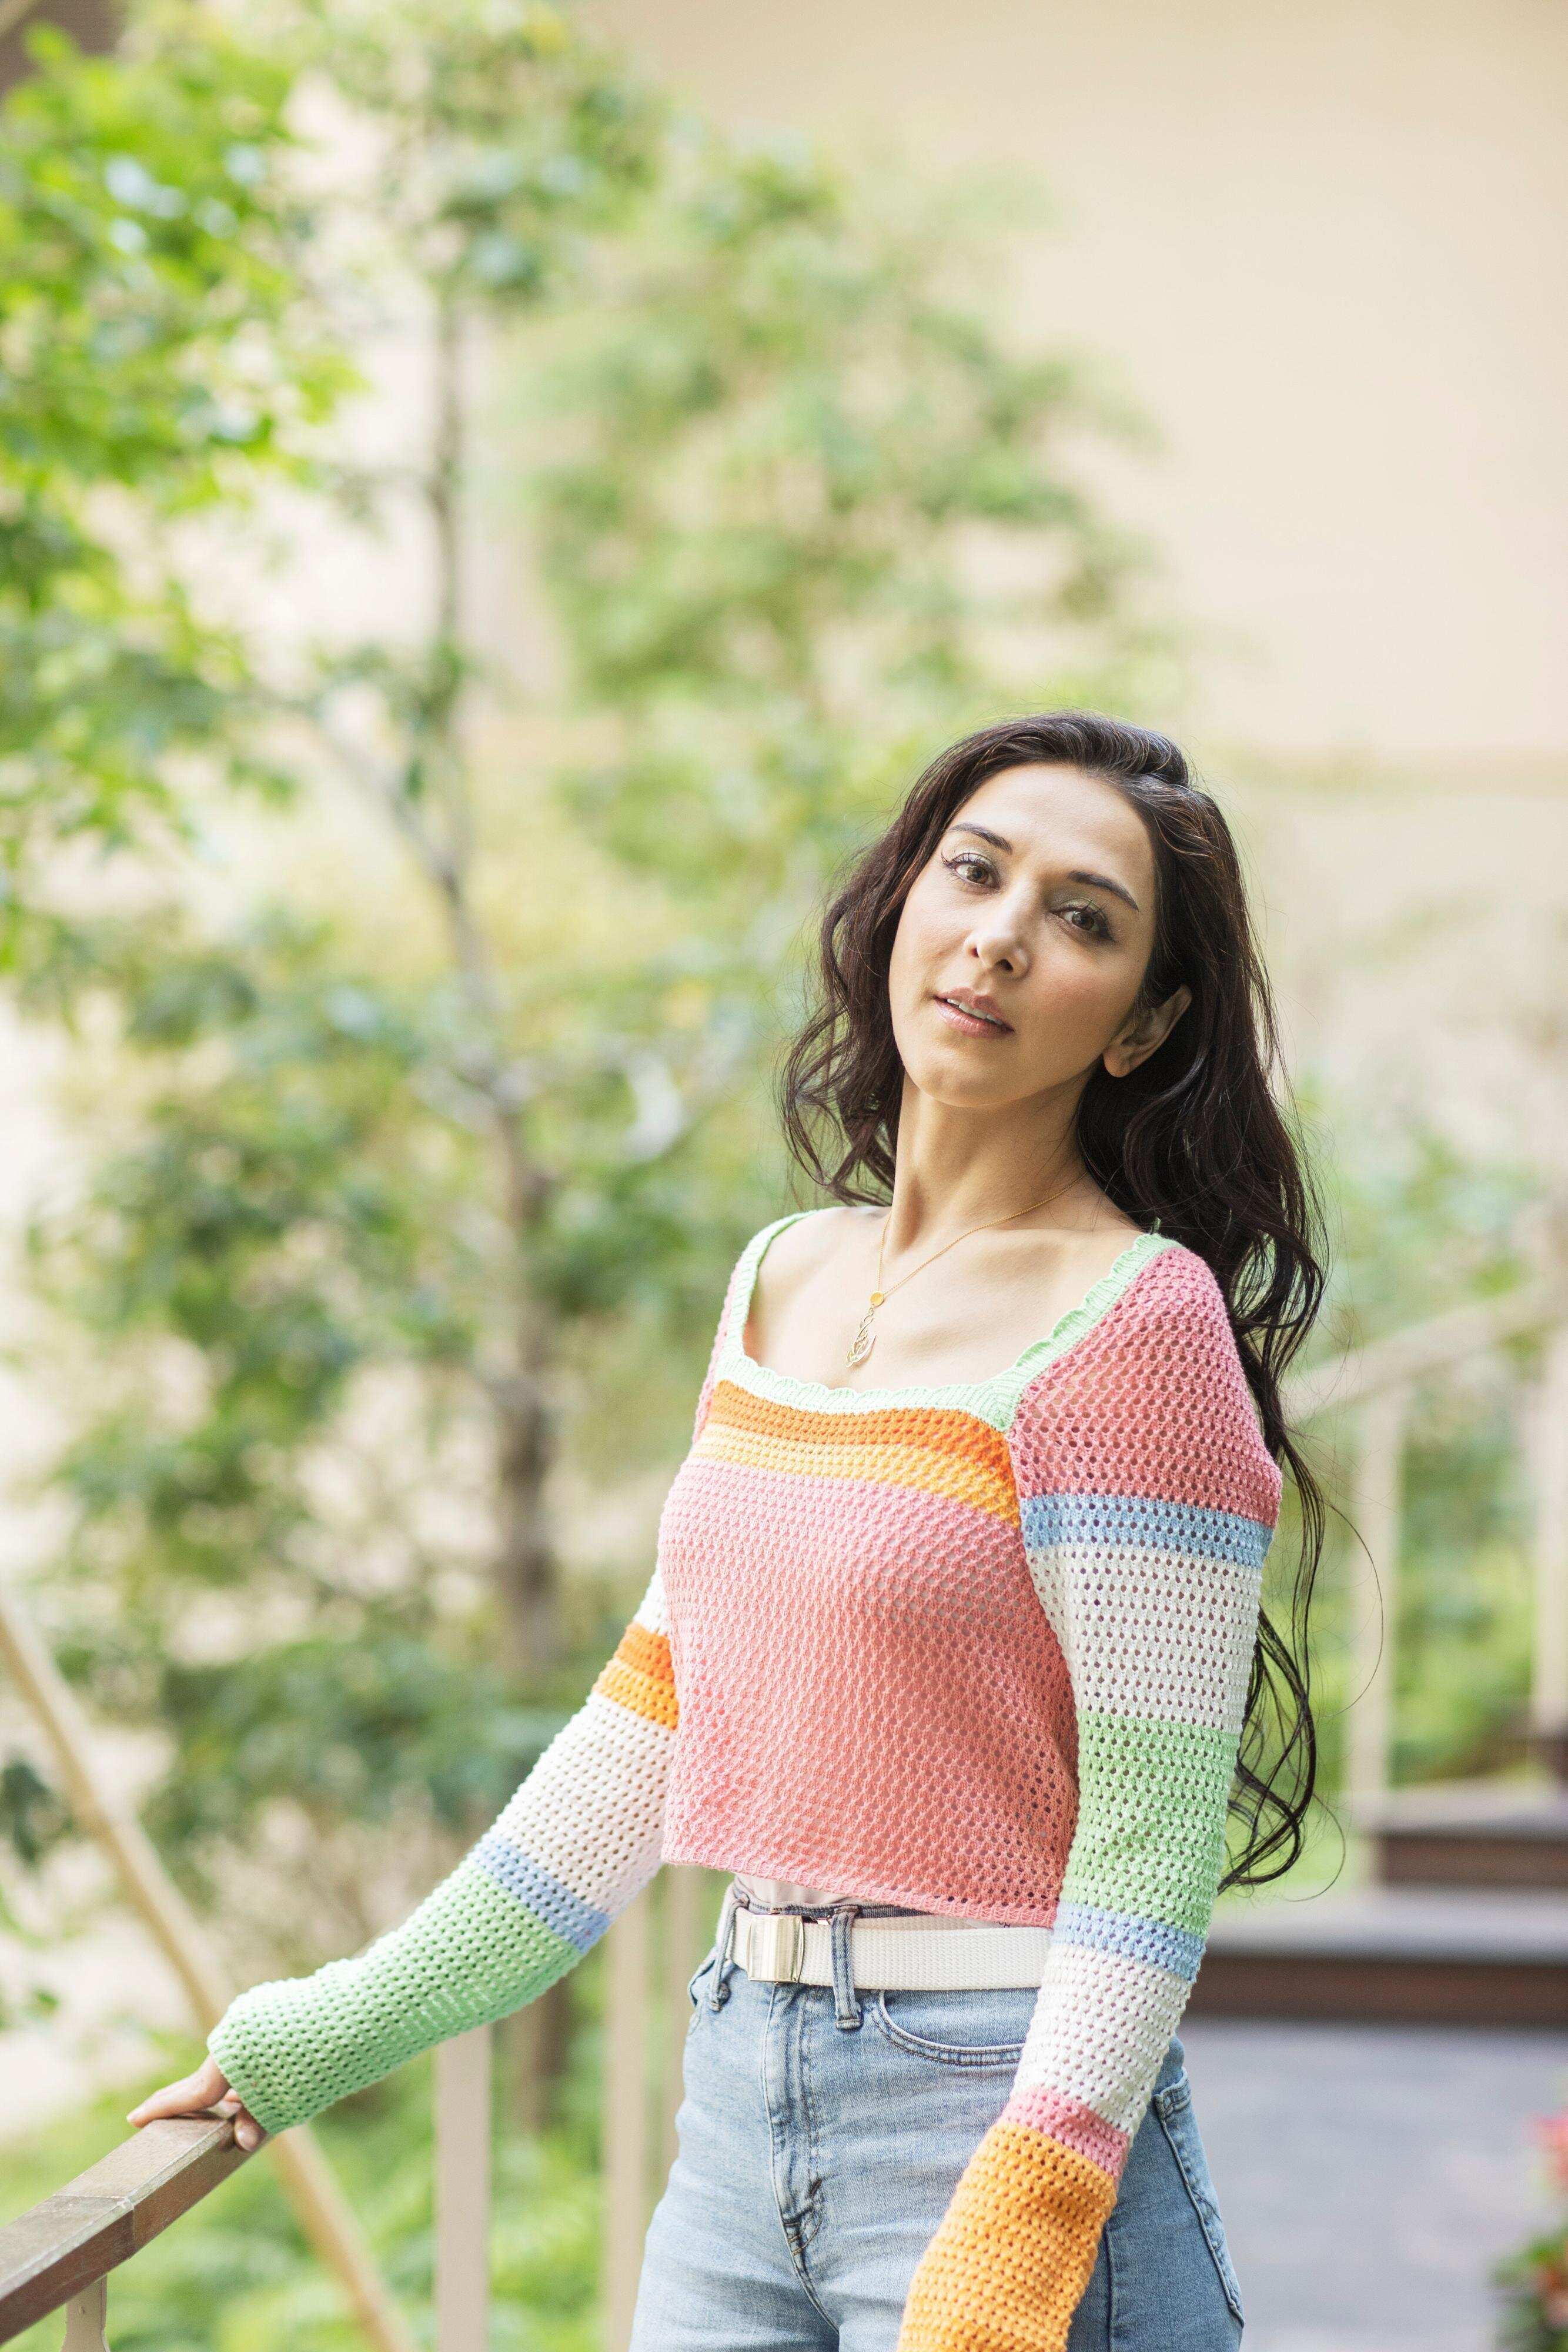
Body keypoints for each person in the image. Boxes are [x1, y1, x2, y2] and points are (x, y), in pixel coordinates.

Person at [129, 710, 1328, 2351]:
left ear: (1142, 1023)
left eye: (1082, 919)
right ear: (901, 900)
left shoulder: (1136, 1326)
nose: (1000, 935)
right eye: (973, 872)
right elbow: (649, 1728)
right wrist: (333, 2029)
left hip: (999, 2108)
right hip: (739, 2089)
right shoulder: (782, 1276)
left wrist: (1022, 2227)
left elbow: (1147, 1846)